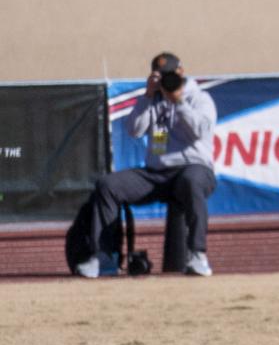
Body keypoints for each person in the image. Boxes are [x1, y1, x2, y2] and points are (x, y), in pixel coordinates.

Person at [75, 52, 217, 278]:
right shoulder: (153, 100)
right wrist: (148, 96)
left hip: (194, 168)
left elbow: (200, 131)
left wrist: (178, 101)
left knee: (191, 181)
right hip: (157, 174)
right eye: (161, 76)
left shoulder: (200, 99)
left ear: (181, 72)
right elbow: (134, 130)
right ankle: (104, 257)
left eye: (170, 75)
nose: (166, 81)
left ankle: (198, 255)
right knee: (108, 185)